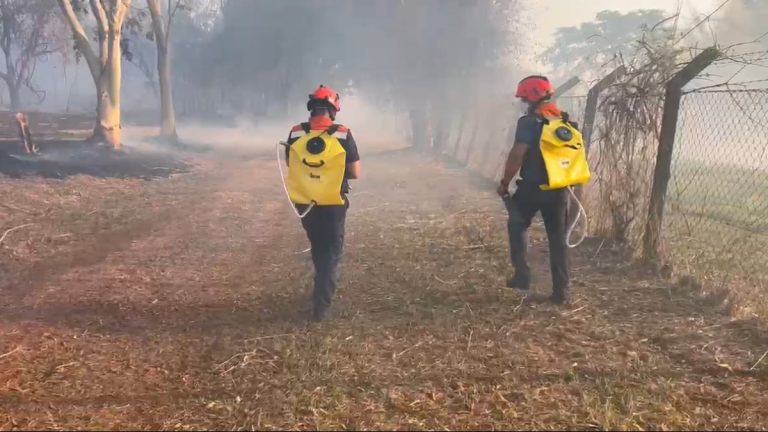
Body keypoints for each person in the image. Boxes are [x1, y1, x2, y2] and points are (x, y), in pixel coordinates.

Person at [285, 85, 361, 322]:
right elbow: (355, 172)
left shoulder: (296, 132)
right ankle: (322, 305)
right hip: (333, 202)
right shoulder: (342, 133)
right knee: (331, 251)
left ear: (312, 108)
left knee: (318, 244)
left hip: (305, 202)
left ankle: (321, 287)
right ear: (333, 110)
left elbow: (292, 164)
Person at [497, 75, 571, 305]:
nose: (524, 103)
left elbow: (517, 154)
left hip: (531, 188)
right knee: (558, 240)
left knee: (517, 225)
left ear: (533, 97)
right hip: (559, 188)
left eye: (525, 99)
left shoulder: (529, 123)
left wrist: (504, 182)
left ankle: (522, 275)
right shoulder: (564, 121)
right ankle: (562, 292)